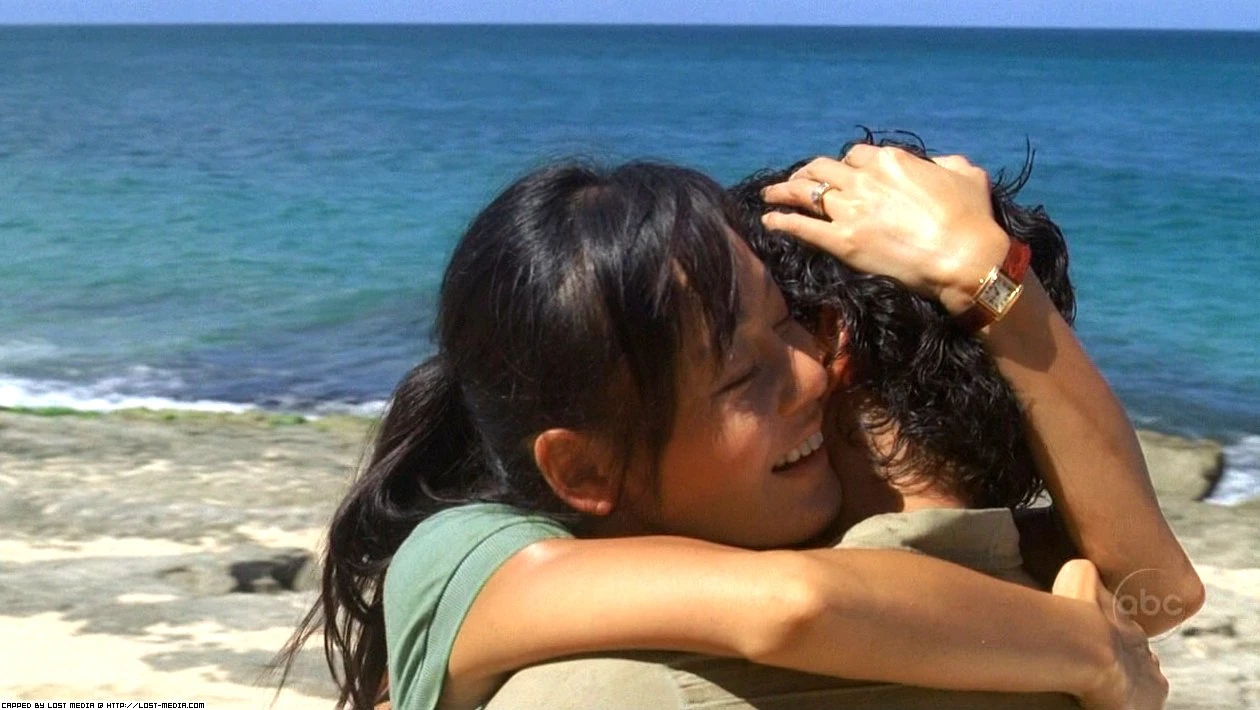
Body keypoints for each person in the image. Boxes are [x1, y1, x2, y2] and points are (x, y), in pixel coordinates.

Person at [278, 154, 1191, 710]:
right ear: (584, 470)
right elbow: (789, 605)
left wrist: (992, 281)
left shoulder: (798, 541)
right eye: (742, 376)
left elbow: (1156, 590)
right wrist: (1089, 651)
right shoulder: (473, 552)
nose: (813, 373)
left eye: (790, 324)